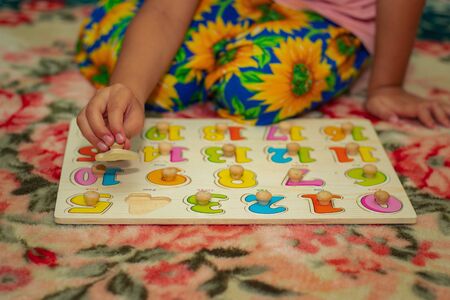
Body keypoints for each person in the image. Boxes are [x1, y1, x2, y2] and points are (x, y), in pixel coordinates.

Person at [75, 0, 450, 152]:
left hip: (331, 16)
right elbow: (165, 12)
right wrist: (128, 88)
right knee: (123, 56)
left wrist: (387, 83)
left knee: (250, 87)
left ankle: (232, 56)